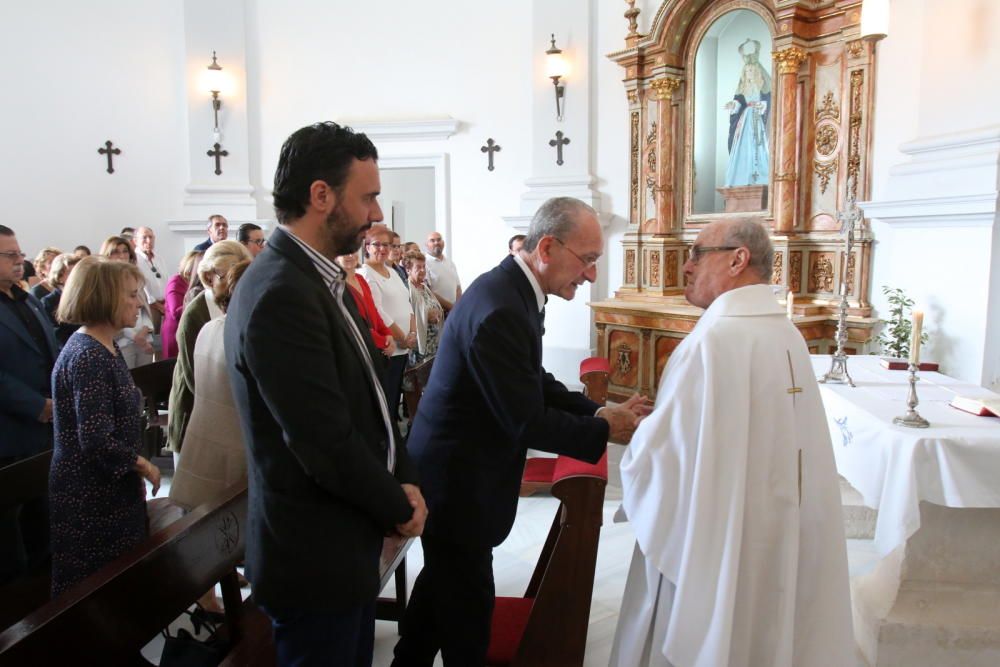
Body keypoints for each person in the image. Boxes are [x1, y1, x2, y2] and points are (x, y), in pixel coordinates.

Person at [392, 197, 650, 666]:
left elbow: (533, 383)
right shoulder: (502, 305)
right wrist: (604, 429)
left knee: (440, 593)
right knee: (468, 621)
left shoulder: (513, 290)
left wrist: (596, 410)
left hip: (458, 475)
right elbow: (525, 419)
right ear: (548, 247)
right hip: (457, 483)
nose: (591, 274)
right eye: (588, 259)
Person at [609, 219, 854, 667]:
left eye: (698, 253)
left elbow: (669, 458)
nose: (685, 266)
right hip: (774, 532)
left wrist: (636, 430)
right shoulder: (787, 335)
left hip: (715, 536)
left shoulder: (713, 340)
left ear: (738, 259)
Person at [226, 121, 425, 665]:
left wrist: (405, 477)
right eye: (368, 197)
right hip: (312, 556)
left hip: (342, 545)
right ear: (321, 196)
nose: (377, 214)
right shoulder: (278, 293)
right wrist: (396, 503)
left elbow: (372, 403)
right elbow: (323, 440)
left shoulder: (316, 281)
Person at [49, 256, 161, 596]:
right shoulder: (88, 356)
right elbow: (95, 438)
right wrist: (144, 465)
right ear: (105, 297)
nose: (138, 302)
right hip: (91, 496)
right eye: (130, 294)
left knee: (120, 586)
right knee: (96, 592)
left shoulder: (104, 345)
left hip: (110, 489)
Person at [170, 258, 251, 615]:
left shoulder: (213, 327)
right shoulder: (247, 334)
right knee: (224, 531)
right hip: (231, 451)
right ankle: (210, 599)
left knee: (216, 528)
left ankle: (220, 585)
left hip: (204, 443)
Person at [0, 225, 58, 587]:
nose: (19, 261)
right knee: (10, 545)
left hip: (46, 432)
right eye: (10, 255)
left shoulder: (27, 299)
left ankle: (47, 608)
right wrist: (37, 405)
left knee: (46, 531)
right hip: (9, 435)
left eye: (19, 253)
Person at [167, 240, 250, 462]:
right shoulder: (195, 314)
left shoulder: (239, 304)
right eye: (226, 276)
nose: (233, 283)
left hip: (228, 416)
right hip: (195, 414)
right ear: (208, 276)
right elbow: (194, 378)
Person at [359, 225, 417, 424]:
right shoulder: (366, 273)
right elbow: (377, 311)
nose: (383, 249)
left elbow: (406, 302)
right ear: (367, 247)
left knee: (393, 401)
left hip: (404, 347)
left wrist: (413, 333)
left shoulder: (391, 271)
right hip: (389, 347)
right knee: (385, 401)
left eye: (387, 245)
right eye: (377, 244)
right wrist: (402, 338)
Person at [723, 38, 772, 188]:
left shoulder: (762, 87)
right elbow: (739, 102)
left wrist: (761, 105)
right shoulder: (742, 88)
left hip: (756, 118)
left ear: (757, 71)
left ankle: (758, 175)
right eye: (747, 70)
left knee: (757, 145)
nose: (749, 72)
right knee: (742, 147)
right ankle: (740, 175)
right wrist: (734, 105)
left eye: (751, 70)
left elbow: (767, 102)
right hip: (744, 121)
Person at [100, 236, 154, 369]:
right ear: (107, 255)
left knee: (146, 380)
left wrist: (145, 329)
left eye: (125, 251)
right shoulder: (104, 282)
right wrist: (135, 336)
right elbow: (109, 313)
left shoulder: (135, 276)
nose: (122, 255)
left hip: (143, 336)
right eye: (116, 252)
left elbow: (143, 306)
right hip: (121, 340)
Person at [336, 251, 396, 358]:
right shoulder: (337, 285)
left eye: (353, 251)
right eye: (345, 252)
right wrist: (383, 342)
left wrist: (387, 333)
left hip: (376, 346)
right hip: (359, 347)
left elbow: (374, 311)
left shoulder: (361, 279)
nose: (350, 256)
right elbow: (352, 324)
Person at [401, 249, 442, 366]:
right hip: (418, 347)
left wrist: (437, 314)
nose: (423, 270)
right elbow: (408, 315)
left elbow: (436, 307)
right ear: (408, 269)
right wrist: (427, 315)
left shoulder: (425, 287)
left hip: (433, 344)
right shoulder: (405, 289)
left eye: (424, 266)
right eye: (418, 267)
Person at [161, 250, 202, 359]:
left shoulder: (191, 282)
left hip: (186, 328)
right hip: (174, 332)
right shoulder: (176, 281)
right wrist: (197, 302)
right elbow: (175, 312)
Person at [39, 253, 83, 345]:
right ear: (59, 277)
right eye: (73, 273)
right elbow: (57, 337)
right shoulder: (49, 302)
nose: (79, 277)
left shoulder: (86, 296)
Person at [133, 226, 166, 330]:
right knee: (153, 337)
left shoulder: (159, 258)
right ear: (135, 241)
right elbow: (140, 286)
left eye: (151, 237)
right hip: (148, 307)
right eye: (144, 237)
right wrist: (156, 304)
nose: (149, 241)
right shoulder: (134, 260)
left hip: (165, 305)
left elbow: (167, 280)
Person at [424, 231, 461, 312]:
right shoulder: (424, 263)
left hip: (454, 311)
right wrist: (451, 307)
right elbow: (428, 291)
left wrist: (458, 306)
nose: (436, 242)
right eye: (432, 240)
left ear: (443, 243)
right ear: (426, 245)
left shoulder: (450, 262)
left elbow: (458, 288)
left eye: (439, 239)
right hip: (439, 312)